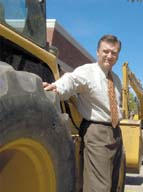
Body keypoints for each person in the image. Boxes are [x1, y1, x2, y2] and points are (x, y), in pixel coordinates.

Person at [43, 34, 123, 192]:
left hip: (116, 132)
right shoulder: (87, 71)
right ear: (98, 52)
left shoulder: (116, 80)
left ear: (118, 56)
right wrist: (57, 88)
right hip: (97, 132)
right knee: (99, 187)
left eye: (114, 53)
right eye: (105, 51)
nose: (109, 56)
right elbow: (71, 80)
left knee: (114, 184)